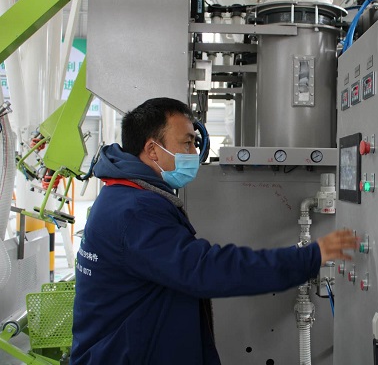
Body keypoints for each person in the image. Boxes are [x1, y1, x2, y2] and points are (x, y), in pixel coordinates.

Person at [71, 97, 357, 364]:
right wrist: (308, 258)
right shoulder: (137, 211)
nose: (194, 154)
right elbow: (206, 270)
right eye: (186, 144)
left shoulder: (122, 195)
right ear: (152, 149)